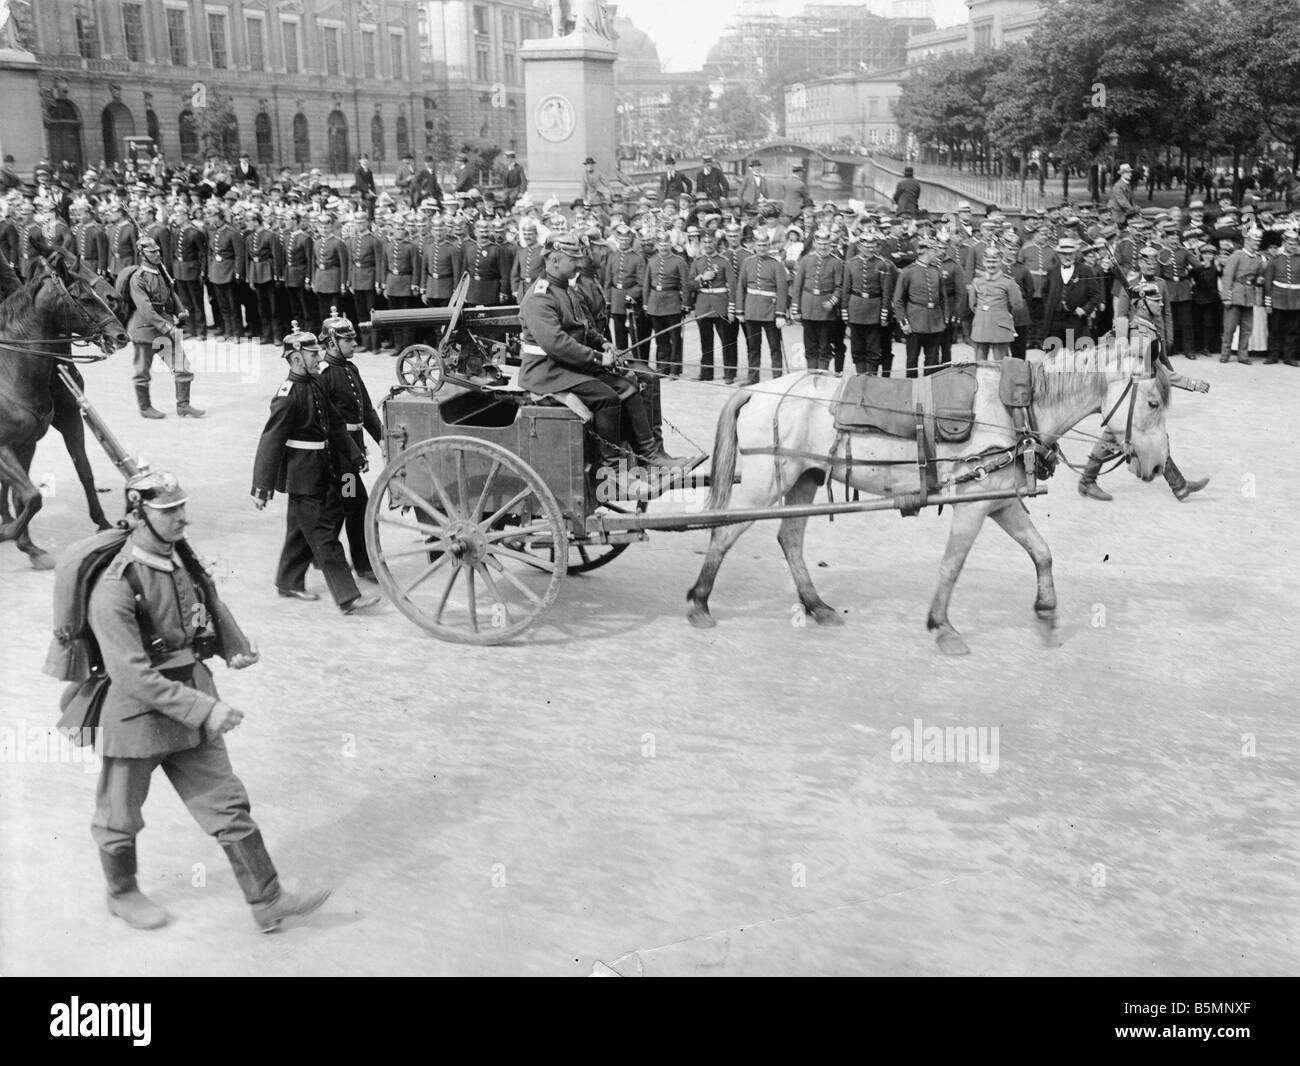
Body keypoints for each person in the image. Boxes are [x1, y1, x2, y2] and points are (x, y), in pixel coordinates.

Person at [85, 467, 330, 932]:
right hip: (137, 716)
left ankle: (268, 899)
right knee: (119, 814)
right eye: (168, 511)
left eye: (181, 508)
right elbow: (131, 675)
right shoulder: (115, 587)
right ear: (138, 516)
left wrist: (230, 644)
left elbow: (202, 606)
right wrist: (207, 709)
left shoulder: (177, 559)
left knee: (226, 803)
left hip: (192, 704)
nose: (181, 519)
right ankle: (121, 892)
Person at [518, 234, 693, 492]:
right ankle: (612, 471)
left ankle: (651, 457)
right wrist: (599, 359)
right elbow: (557, 344)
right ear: (554, 260)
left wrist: (602, 343)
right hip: (545, 371)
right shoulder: (538, 297)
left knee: (629, 383)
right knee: (606, 396)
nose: (579, 264)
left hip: (564, 365)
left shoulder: (564, 288)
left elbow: (582, 328)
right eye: (572, 260)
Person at [251, 327, 381, 614]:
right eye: (312, 354)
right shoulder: (287, 395)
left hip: (321, 468)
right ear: (296, 359)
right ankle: (348, 597)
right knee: (324, 535)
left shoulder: (316, 383)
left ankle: (288, 581)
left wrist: (355, 455)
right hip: (302, 475)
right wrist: (262, 488)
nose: (318, 357)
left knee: (300, 529)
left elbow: (335, 425)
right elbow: (270, 442)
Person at [1078, 247, 1211, 502]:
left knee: (1124, 435)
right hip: (1134, 389)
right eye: (1155, 301)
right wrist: (1192, 383)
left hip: (1137, 389)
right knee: (1138, 434)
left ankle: (1177, 485)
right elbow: (1158, 372)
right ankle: (1088, 480)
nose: (1161, 302)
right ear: (1143, 304)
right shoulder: (1138, 332)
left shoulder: (1148, 325)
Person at [318, 309, 383, 579]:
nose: (354, 344)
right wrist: (353, 453)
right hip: (339, 454)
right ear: (332, 343)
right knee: (356, 504)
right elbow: (327, 425)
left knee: (337, 508)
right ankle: (363, 564)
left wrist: (382, 439)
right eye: (348, 340)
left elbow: (366, 409)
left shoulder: (348, 367)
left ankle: (316, 555)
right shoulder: (324, 374)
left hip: (351, 449)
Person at [127, 236, 204, 419]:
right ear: (142, 254)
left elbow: (170, 293)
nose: (157, 254)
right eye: (152, 252)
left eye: (158, 251)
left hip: (164, 325)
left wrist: (180, 310)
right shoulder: (138, 279)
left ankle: (183, 405)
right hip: (145, 330)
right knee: (142, 372)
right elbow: (146, 310)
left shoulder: (160, 272)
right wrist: (167, 327)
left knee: (182, 366)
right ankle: (145, 407)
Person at [734, 231, 789, 384]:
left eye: (765, 245)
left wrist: (780, 314)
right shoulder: (747, 262)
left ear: (769, 246)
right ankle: (753, 378)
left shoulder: (776, 264)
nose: (762, 248)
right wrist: (740, 310)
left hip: (770, 312)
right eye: (759, 245)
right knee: (753, 347)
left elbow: (782, 290)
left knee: (775, 347)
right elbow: (741, 287)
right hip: (751, 310)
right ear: (755, 246)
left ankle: (777, 379)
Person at [840, 229, 896, 376]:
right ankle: (860, 375)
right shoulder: (851, 264)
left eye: (873, 247)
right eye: (866, 247)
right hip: (856, 307)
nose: (870, 250)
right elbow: (846, 290)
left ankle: (871, 377)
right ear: (859, 247)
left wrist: (884, 313)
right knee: (857, 346)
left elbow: (886, 292)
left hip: (874, 308)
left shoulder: (883, 264)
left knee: (873, 346)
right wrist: (845, 311)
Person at [891, 236, 948, 377]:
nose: (938, 253)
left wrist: (944, 318)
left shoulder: (936, 271)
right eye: (935, 250)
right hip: (914, 321)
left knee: (933, 360)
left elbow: (943, 298)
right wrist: (903, 322)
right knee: (912, 360)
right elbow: (897, 300)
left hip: (934, 322)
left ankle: (929, 391)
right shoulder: (908, 271)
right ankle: (911, 390)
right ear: (927, 252)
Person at [790, 227, 843, 371]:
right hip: (808, 306)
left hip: (826, 310)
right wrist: (796, 308)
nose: (823, 247)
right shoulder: (806, 260)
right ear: (814, 243)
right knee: (810, 344)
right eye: (820, 243)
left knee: (825, 345)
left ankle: (822, 375)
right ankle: (811, 373)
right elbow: (798, 286)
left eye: (826, 243)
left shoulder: (836, 262)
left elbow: (840, 287)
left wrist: (832, 302)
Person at [686, 230, 735, 382]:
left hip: (721, 305)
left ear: (716, 244)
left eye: (710, 242)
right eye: (704, 243)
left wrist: (732, 307)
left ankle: (729, 373)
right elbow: (689, 285)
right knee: (706, 342)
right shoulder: (697, 262)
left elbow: (732, 285)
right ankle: (706, 373)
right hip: (703, 306)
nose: (707, 245)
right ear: (701, 244)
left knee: (727, 342)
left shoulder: (724, 261)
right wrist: (701, 279)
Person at [642, 230, 689, 376]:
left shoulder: (679, 261)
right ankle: (663, 368)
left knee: (675, 338)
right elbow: (646, 284)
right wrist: (645, 302)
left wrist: (685, 303)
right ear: (656, 245)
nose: (664, 247)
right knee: (660, 338)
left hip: (672, 302)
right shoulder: (652, 261)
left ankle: (675, 369)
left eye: (666, 244)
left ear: (671, 244)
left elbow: (685, 284)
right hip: (655, 302)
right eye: (661, 244)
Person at [1041, 236, 1101, 348]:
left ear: (1075, 254)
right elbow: (1045, 292)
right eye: (1064, 254)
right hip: (1055, 319)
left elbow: (1096, 295)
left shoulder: (1085, 270)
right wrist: (1051, 306)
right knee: (1054, 351)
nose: (1067, 257)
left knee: (1074, 351)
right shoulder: (1053, 270)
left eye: (1070, 253)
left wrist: (1085, 309)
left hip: (1075, 319)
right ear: (1059, 254)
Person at [966, 247, 1023, 361]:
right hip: (981, 325)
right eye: (988, 261)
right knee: (980, 362)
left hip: (1000, 327)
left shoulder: (1008, 282)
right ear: (983, 262)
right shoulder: (977, 282)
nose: (991, 265)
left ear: (1001, 261)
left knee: (1001, 362)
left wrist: (1004, 315)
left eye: (994, 262)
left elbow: (1017, 305)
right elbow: (972, 305)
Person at [1219, 228, 1265, 364]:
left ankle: (1243, 355)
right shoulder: (1237, 255)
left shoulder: (1258, 258)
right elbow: (1227, 276)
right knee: (1229, 327)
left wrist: (1258, 281)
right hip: (1235, 294)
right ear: (1247, 240)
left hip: (1249, 296)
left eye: (1259, 241)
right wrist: (1226, 297)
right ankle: (1225, 354)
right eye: (1255, 241)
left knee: (1247, 328)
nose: (1257, 243)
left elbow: (1256, 277)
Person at [1263, 225, 1300, 366]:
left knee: (1293, 329)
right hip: (1278, 298)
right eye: (1290, 244)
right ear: (1284, 243)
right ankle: (1272, 355)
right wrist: (1268, 302)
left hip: (1296, 298)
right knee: (1275, 328)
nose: (1293, 246)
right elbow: (1268, 282)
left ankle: (1289, 357)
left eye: (1295, 244)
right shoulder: (1275, 260)